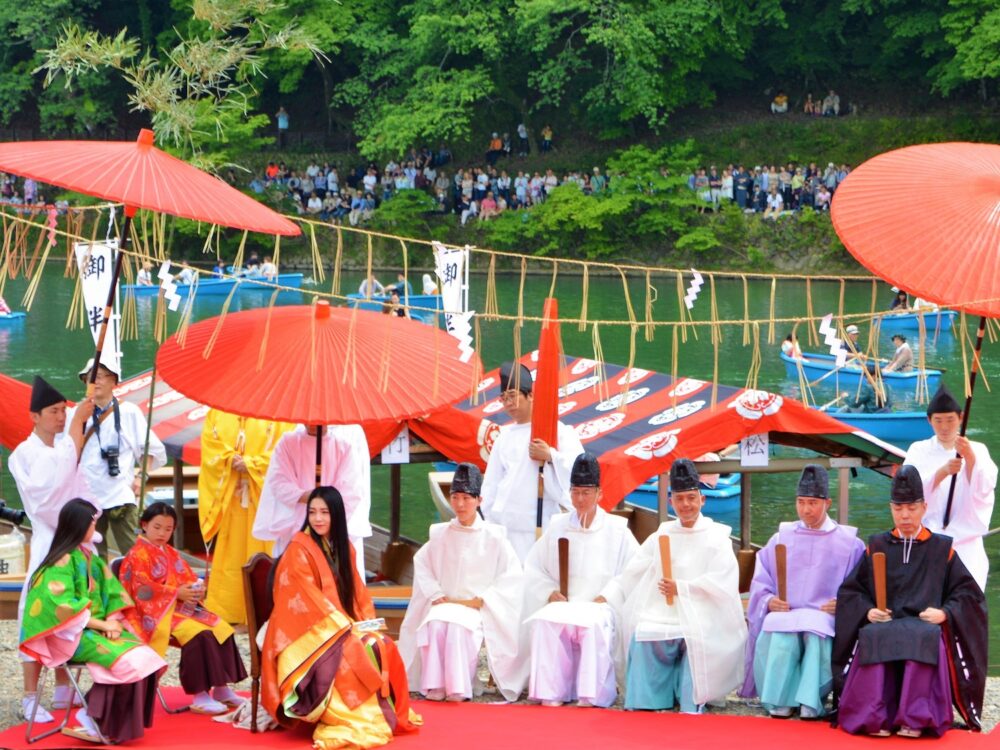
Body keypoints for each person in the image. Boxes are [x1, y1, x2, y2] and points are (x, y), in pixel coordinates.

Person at [832, 466, 987, 737]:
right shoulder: (877, 546)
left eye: (912, 508)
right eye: (898, 508)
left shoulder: (941, 548)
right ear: (891, 508)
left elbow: (969, 594)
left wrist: (945, 613)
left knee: (922, 635)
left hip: (924, 624)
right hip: (885, 621)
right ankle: (874, 717)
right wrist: (868, 611)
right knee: (876, 633)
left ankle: (915, 718)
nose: (904, 515)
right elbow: (850, 592)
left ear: (924, 507)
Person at [261, 487, 421, 749]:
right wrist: (343, 626)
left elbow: (357, 591)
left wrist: (364, 622)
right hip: (301, 631)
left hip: (338, 623)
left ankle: (384, 711)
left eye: (324, 512)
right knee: (351, 651)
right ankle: (352, 716)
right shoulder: (298, 549)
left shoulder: (343, 546)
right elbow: (303, 598)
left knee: (381, 643)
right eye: (312, 512)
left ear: (336, 514)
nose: (318, 519)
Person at [20, 499, 167, 743]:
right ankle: (91, 715)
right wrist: (103, 625)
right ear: (80, 525)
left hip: (95, 629)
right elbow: (61, 606)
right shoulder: (60, 562)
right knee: (127, 661)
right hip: (68, 635)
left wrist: (113, 620)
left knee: (145, 656)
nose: (96, 528)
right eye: (93, 523)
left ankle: (108, 722)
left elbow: (113, 593)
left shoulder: (91, 557)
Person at [606, 459, 746, 714]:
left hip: (703, 611)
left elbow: (722, 582)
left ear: (702, 500)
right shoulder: (662, 534)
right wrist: (613, 594)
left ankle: (692, 699)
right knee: (642, 631)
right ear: (671, 502)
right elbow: (634, 571)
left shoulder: (717, 538)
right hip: (662, 607)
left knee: (695, 636)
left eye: (691, 498)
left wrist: (682, 588)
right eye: (680, 499)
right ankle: (648, 701)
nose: (686, 505)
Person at [740, 465, 864, 718]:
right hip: (787, 609)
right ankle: (780, 698)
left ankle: (811, 699)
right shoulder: (781, 537)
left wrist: (843, 602)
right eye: (801, 502)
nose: (806, 509)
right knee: (780, 629)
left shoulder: (849, 542)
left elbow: (861, 587)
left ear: (827, 503)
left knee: (815, 633)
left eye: (812, 503)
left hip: (823, 614)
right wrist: (769, 600)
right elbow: (761, 580)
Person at [399, 463, 526, 702]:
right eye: (455, 497)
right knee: (435, 623)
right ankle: (434, 684)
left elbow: (511, 575)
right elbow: (422, 562)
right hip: (445, 603)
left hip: (474, 607)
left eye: (466, 498)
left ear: (479, 500)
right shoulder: (439, 533)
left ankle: (459, 685)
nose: (459, 504)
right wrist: (435, 593)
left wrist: (486, 598)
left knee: (458, 628)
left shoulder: (494, 536)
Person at [519, 452, 636, 709]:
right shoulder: (558, 525)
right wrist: (550, 592)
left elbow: (632, 570)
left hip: (599, 605)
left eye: (586, 492)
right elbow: (534, 566)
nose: (580, 499)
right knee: (545, 621)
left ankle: (591, 694)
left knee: (594, 624)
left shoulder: (617, 529)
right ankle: (551, 692)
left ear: (599, 494)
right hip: (566, 603)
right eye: (576, 492)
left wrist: (608, 595)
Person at [10, 377, 95, 723]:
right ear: (35, 416)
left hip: (75, 542)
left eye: (63, 411)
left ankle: (64, 686)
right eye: (53, 412)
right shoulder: (24, 455)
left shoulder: (64, 446)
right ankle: (30, 696)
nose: (61, 417)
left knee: (72, 612)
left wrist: (78, 429)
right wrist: (76, 428)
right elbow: (45, 499)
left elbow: (80, 487)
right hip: (48, 540)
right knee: (35, 613)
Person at [120, 503, 247, 715]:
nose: (162, 533)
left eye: (168, 529)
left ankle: (222, 688)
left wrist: (195, 589)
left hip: (176, 607)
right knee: (200, 634)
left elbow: (186, 577)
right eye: (157, 527)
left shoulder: (170, 552)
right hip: (153, 613)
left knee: (220, 627)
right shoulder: (137, 554)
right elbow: (141, 589)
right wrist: (175, 593)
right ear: (144, 525)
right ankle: (200, 694)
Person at [481, 362, 585, 561]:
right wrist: (492, 521)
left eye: (513, 396)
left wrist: (551, 456)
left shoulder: (556, 430)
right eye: (504, 398)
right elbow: (492, 483)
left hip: (542, 521)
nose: (508, 403)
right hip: (507, 524)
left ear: (530, 395)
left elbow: (578, 469)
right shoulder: (504, 436)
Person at [198, 410, 292, 624]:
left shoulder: (279, 413)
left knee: (264, 550)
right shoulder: (219, 412)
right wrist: (229, 459)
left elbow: (285, 451)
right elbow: (211, 445)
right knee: (233, 551)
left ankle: (267, 608)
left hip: (263, 498)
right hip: (234, 497)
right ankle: (229, 610)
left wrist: (252, 463)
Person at [69, 358, 167, 559]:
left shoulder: (129, 412)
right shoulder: (77, 413)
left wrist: (142, 477)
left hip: (119, 494)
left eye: (99, 377)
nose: (94, 382)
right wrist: (79, 419)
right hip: (87, 496)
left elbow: (150, 448)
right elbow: (66, 452)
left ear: (113, 381)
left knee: (135, 553)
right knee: (93, 556)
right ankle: (101, 590)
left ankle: (140, 589)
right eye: (89, 378)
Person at [903, 384, 996, 590]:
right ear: (929, 421)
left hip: (967, 543)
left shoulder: (978, 449)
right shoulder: (918, 450)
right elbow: (908, 491)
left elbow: (984, 490)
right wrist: (941, 472)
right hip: (929, 538)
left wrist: (970, 458)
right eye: (938, 421)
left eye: (950, 420)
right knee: (929, 604)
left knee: (966, 604)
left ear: (961, 418)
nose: (944, 427)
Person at [254, 423, 371, 576]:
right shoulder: (287, 443)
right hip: (295, 527)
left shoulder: (343, 447)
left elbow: (351, 492)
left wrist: (324, 510)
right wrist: (308, 497)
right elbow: (279, 482)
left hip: (332, 528)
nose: (314, 424)